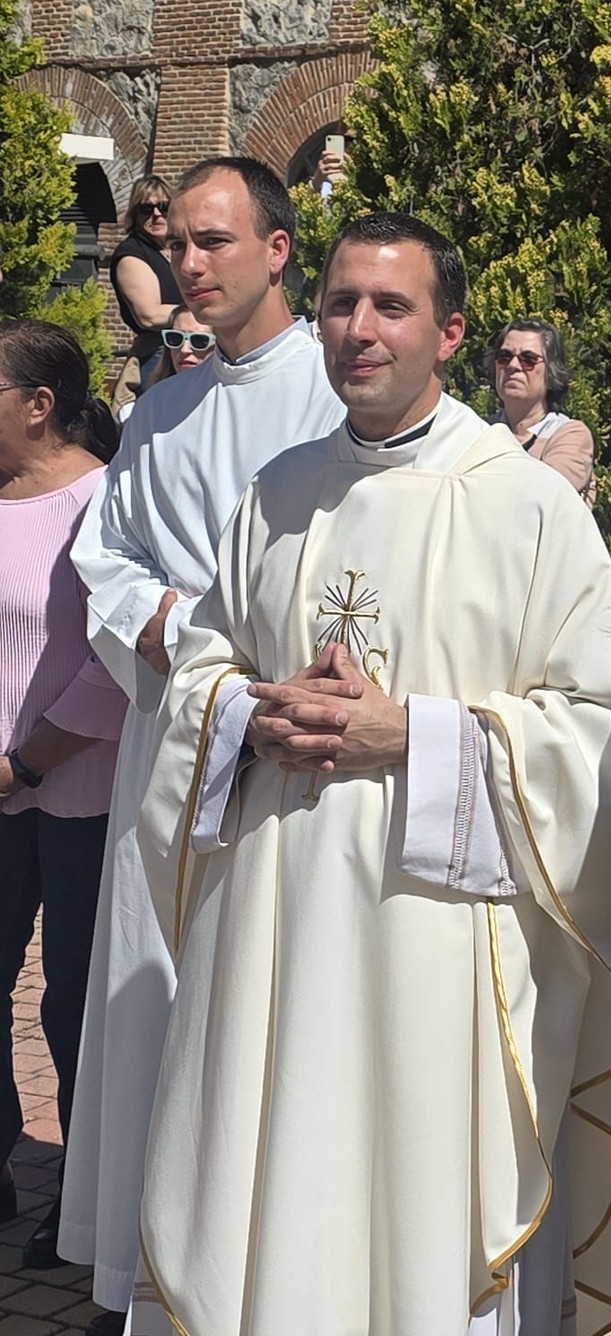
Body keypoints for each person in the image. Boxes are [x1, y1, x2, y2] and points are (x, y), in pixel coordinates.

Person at [132, 211, 611, 1336]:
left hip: (436, 943)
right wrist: (249, 714)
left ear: (449, 331)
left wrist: (414, 737)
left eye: (391, 306)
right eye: (341, 304)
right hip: (270, 932)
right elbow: (200, 670)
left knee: (413, 1209)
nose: (359, 329)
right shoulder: (277, 493)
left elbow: (602, 731)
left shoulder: (525, 505)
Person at [62, 157, 344, 1335]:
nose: (188, 264)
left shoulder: (338, 392)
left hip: (286, 744)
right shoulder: (159, 413)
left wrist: (250, 649)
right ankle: (150, 1276)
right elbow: (105, 559)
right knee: (161, 1000)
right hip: (175, 743)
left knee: (267, 1006)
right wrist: (176, 627)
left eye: (214, 241)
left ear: (278, 249)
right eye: (177, 242)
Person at [0, 323, 125, 1271]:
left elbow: (115, 664)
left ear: (40, 405)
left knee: (74, 1003)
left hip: (80, 792)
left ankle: (81, 1197)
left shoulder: (105, 503)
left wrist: (27, 762)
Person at [489, 317, 597, 505]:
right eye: (504, 356)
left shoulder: (570, 435)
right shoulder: (479, 430)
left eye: (528, 359)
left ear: (551, 372)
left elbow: (543, 498)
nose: (513, 365)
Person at [108, 176, 181, 398]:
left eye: (164, 207)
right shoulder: (132, 254)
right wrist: (202, 312)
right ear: (135, 215)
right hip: (158, 357)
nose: (156, 214)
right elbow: (149, 315)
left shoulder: (179, 250)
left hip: (192, 349)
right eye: (146, 209)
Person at [149, 305, 216, 387]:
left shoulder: (228, 393)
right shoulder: (156, 394)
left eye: (199, 340)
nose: (184, 350)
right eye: (176, 338)